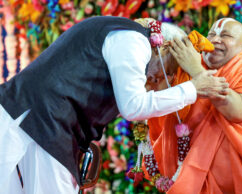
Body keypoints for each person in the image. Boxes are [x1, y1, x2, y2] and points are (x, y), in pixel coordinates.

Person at [0, 16, 228, 194]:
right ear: (163, 48)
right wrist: (193, 89)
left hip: (38, 121)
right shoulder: (132, 41)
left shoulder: (123, 36)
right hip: (42, 121)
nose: (158, 84)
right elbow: (133, 106)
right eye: (167, 74)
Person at [147, 18, 242, 193]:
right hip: (194, 170)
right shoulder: (188, 65)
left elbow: (236, 110)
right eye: (211, 34)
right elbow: (156, 94)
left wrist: (196, 70)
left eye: (225, 35)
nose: (215, 39)